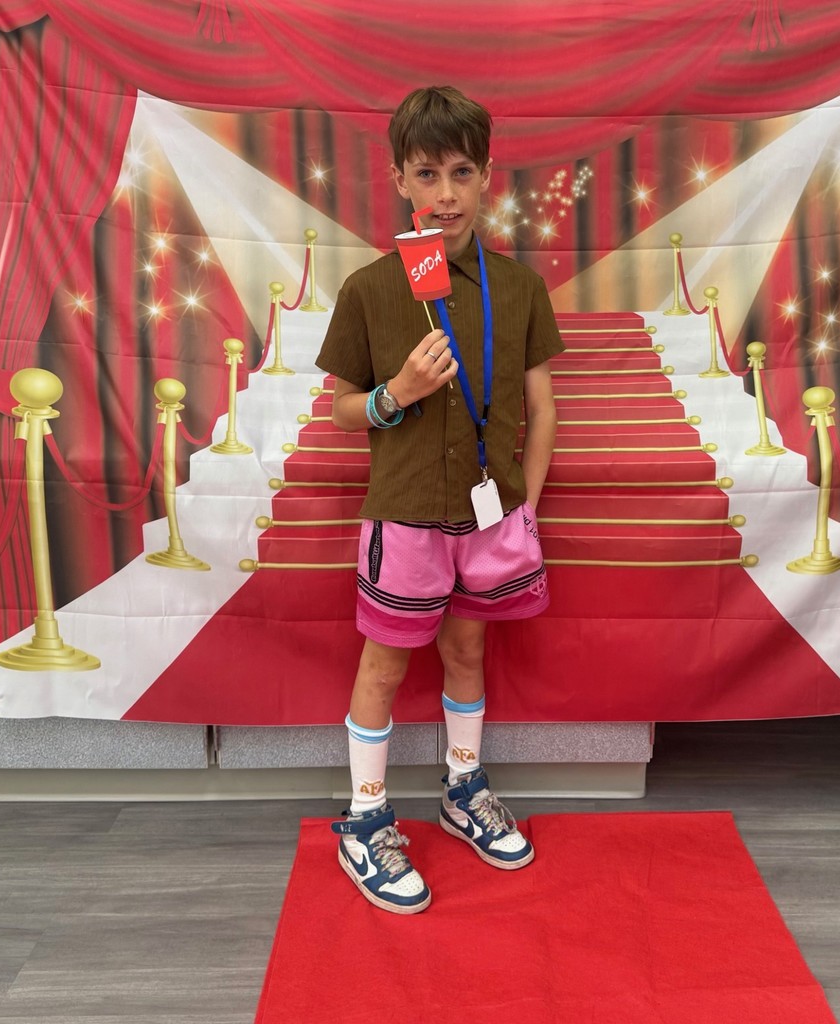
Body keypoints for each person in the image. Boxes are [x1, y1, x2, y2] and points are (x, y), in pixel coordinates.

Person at [314, 85, 564, 914]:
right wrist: (396, 392)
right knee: (383, 665)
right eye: (428, 174)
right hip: (405, 514)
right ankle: (366, 818)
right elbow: (344, 407)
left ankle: (464, 790)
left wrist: (528, 502)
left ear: (488, 177)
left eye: (462, 172)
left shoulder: (519, 288)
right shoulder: (371, 289)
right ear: (399, 179)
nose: (446, 194)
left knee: (466, 653)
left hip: (491, 517)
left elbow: (542, 402)